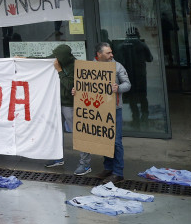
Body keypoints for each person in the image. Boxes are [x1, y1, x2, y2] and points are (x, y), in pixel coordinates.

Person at [34, 44, 92, 174]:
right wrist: (22, 58)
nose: (55, 58)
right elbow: (40, 61)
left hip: (70, 105)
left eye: (58, 56)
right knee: (54, 132)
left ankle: (86, 164)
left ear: (64, 57)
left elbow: (70, 85)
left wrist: (59, 70)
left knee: (79, 134)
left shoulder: (76, 66)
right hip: (55, 103)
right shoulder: (57, 58)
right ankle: (57, 158)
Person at [92, 42, 132, 184]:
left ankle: (118, 173)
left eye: (111, 52)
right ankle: (108, 168)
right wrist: (76, 91)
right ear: (99, 55)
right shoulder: (90, 67)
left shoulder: (118, 66)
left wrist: (118, 88)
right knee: (104, 139)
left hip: (114, 109)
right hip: (98, 110)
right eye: (108, 53)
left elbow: (128, 84)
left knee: (116, 142)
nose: (111, 55)